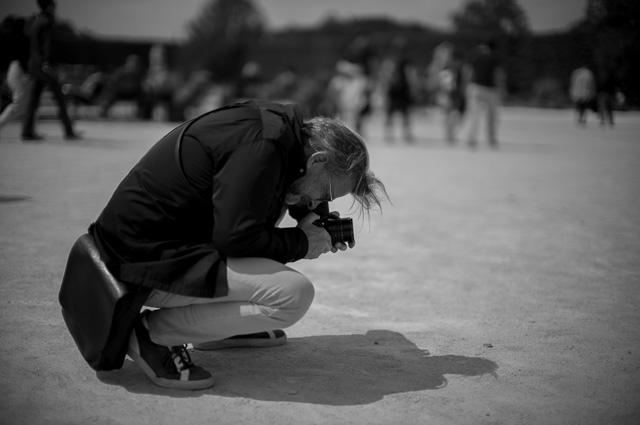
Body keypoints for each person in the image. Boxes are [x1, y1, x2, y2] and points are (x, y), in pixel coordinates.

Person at [89, 99, 388, 390]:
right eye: (327, 192)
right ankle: (152, 334)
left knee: (280, 207)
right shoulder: (263, 148)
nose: (321, 202)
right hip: (138, 262)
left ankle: (215, 327)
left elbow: (281, 188)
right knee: (293, 294)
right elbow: (235, 239)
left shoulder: (277, 135)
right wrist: (300, 242)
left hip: (155, 245)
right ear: (318, 159)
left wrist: (314, 217)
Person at [21, 0, 80, 141]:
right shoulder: (47, 22)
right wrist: (47, 62)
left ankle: (27, 131)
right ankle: (69, 130)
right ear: (49, 7)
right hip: (45, 66)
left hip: (34, 65)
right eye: (54, 5)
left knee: (33, 100)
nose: (56, 8)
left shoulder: (35, 22)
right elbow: (48, 44)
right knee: (60, 98)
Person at [463, 40, 505, 147]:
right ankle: (491, 139)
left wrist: (466, 86)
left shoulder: (476, 57)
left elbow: (468, 71)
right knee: (492, 116)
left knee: (474, 114)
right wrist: (501, 89)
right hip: (491, 89)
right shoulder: (495, 59)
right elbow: (498, 75)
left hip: (475, 87)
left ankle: (472, 138)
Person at [379, 36, 419, 143]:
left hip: (392, 89)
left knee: (389, 113)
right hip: (403, 89)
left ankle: (388, 135)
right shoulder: (406, 61)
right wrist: (414, 89)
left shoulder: (389, 60)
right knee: (405, 113)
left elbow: (383, 76)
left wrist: (383, 89)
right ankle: (406, 135)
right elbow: (411, 76)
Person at [0, 16, 31, 136]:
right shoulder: (22, 40)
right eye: (27, 25)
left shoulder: (14, 39)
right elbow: (23, 59)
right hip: (18, 71)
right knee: (19, 104)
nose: (29, 28)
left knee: (22, 104)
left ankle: (29, 130)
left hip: (14, 70)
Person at [99, 55, 146, 119]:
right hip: (119, 96)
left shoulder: (139, 75)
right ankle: (103, 112)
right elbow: (111, 86)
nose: (133, 66)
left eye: (135, 64)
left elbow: (140, 89)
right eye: (131, 63)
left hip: (133, 98)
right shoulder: (120, 74)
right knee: (110, 96)